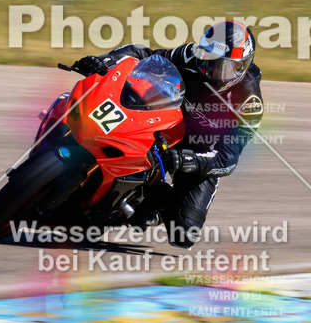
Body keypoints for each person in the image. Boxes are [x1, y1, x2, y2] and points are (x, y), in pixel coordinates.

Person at [73, 21, 264, 248]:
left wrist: (189, 161)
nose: (214, 72)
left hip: (201, 154)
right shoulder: (191, 56)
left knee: (183, 234)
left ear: (243, 66)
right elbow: (145, 55)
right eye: (210, 62)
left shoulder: (249, 101)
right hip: (165, 125)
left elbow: (227, 160)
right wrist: (105, 60)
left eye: (225, 67)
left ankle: (153, 200)